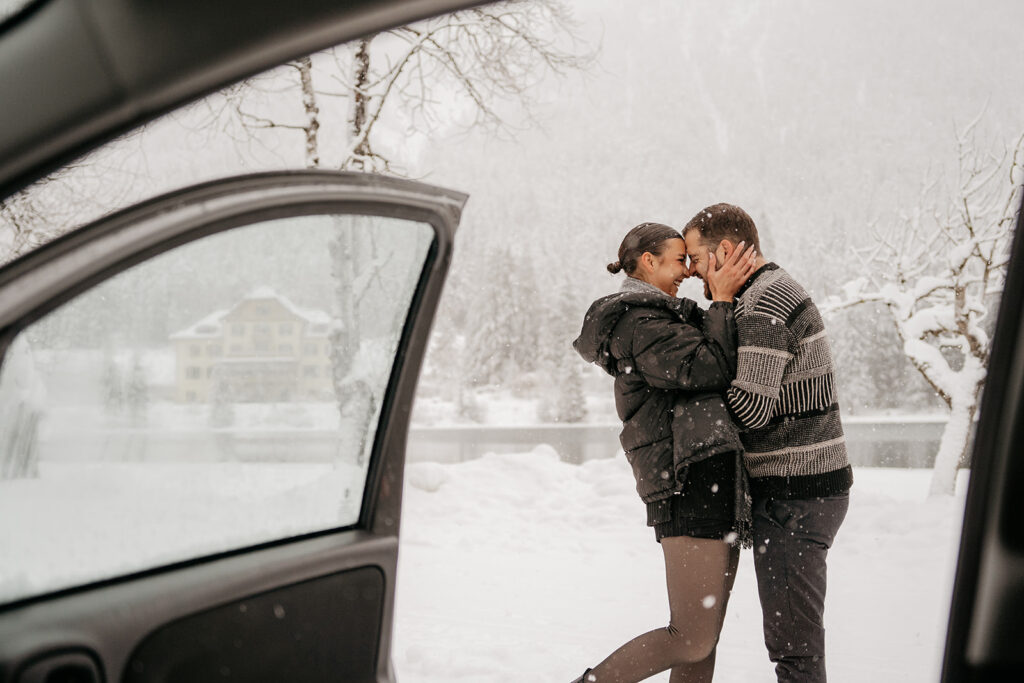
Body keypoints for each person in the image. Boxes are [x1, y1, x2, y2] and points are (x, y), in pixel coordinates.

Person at [571, 221, 757, 683]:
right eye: (679, 261)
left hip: (709, 476)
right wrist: (722, 301)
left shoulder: (666, 315)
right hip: (685, 479)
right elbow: (707, 367)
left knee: (703, 639)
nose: (687, 273)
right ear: (649, 261)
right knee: (690, 636)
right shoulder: (639, 321)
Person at [682, 204, 854, 683]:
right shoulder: (761, 295)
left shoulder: (764, 303)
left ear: (728, 250)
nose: (694, 270)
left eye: (697, 257)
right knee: (794, 642)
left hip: (795, 495)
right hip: (802, 489)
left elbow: (751, 409)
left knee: (794, 650)